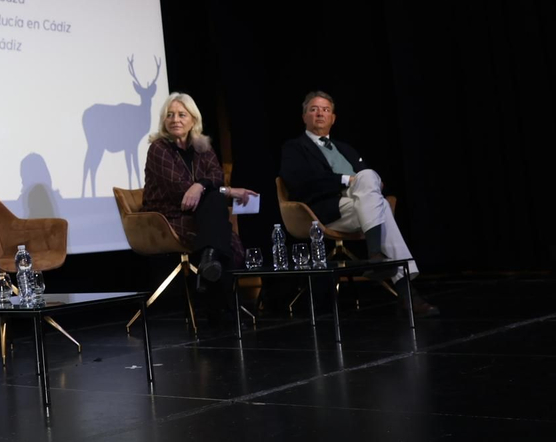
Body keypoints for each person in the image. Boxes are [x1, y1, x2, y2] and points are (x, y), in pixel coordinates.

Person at [278, 90, 437, 315]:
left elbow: (367, 181)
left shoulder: (345, 148)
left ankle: (380, 262)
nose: (320, 114)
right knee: (378, 203)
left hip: (359, 205)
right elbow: (300, 181)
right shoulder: (294, 148)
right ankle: (403, 288)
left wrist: (370, 183)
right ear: (304, 117)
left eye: (325, 110)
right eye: (313, 109)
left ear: (333, 118)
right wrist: (347, 179)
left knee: (372, 186)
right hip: (324, 209)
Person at [141, 93, 253, 288]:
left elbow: (216, 176)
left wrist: (199, 185)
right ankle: (221, 309)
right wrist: (227, 191)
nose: (175, 119)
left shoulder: (202, 146)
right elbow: (180, 191)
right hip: (169, 216)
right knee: (226, 239)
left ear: (193, 119)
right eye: (170, 115)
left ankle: (208, 263)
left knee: (227, 241)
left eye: (181, 115)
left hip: (201, 213)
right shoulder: (158, 149)